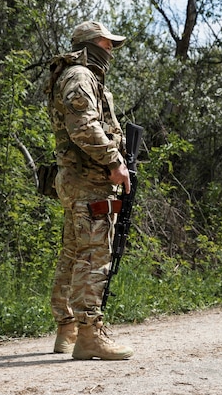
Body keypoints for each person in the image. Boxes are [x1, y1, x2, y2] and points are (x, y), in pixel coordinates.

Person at [45, 21, 133, 360]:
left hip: (76, 181)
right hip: (89, 182)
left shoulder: (73, 75)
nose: (110, 50)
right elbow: (83, 126)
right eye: (107, 43)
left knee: (73, 253)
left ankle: (67, 328)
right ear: (92, 44)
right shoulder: (81, 75)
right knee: (94, 255)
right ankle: (89, 335)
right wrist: (114, 161)